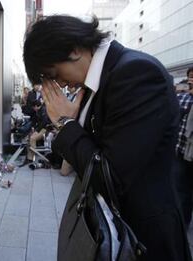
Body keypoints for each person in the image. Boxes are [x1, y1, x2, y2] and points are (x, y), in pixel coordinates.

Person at [23, 15, 191, 261]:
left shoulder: (135, 73)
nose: (59, 84)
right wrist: (67, 122)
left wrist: (66, 123)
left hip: (143, 237)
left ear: (73, 49)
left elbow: (112, 177)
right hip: (115, 229)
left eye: (54, 74)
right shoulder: (99, 81)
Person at [173, 67, 193, 228]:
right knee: (180, 190)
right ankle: (182, 223)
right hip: (180, 151)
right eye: (190, 78)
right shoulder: (182, 98)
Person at [23, 99, 51, 165]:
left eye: (33, 107)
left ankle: (31, 158)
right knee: (28, 138)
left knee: (32, 138)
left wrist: (37, 131)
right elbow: (34, 120)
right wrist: (33, 128)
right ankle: (29, 156)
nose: (33, 109)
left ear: (36, 106)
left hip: (45, 129)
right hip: (40, 128)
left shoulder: (43, 110)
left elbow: (44, 122)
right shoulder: (38, 111)